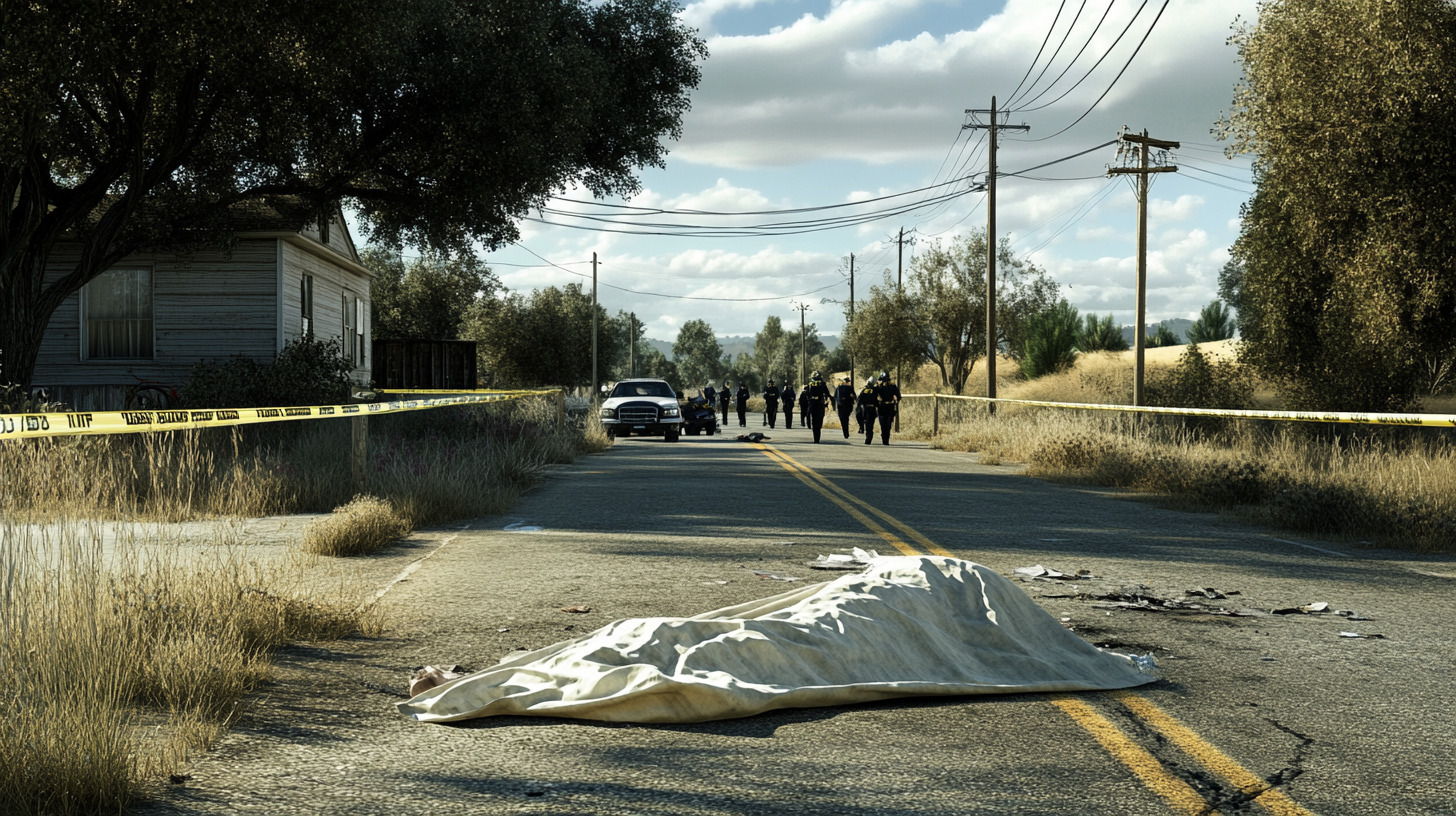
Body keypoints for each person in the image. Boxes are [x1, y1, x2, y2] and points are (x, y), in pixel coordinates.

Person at [873, 371, 901, 445]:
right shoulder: (879, 386)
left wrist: (895, 400)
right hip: (882, 406)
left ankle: (886, 438)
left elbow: (898, 395)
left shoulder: (892, 386)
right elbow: (873, 395)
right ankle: (884, 437)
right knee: (883, 423)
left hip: (889, 406)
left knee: (888, 423)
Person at [803, 371, 832, 443]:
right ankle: (816, 436)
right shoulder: (822, 383)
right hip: (819, 403)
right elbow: (827, 393)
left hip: (813, 403)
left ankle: (812, 429)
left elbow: (806, 393)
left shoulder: (810, 384)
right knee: (818, 419)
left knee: (812, 417)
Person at [834, 375, 857, 439]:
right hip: (846, 405)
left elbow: (835, 397)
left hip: (842, 405)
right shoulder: (849, 388)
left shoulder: (839, 388)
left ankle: (845, 432)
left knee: (843, 419)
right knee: (845, 419)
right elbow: (854, 397)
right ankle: (846, 433)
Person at [859, 376, 878, 445]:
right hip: (869, 409)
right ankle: (868, 436)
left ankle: (868, 437)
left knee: (868, 424)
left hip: (868, 409)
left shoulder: (866, 390)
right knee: (868, 424)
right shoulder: (875, 390)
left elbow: (860, 400)